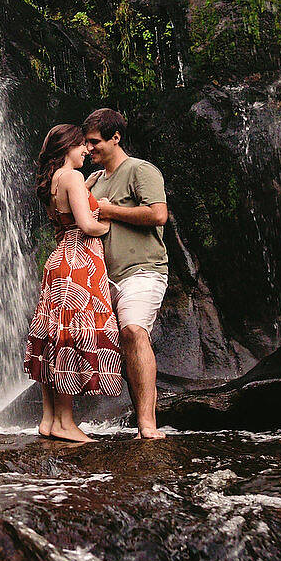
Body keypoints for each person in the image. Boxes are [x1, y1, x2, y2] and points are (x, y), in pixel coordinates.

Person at [23, 124, 126, 443]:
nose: (86, 150)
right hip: (78, 263)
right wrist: (107, 220)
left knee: (54, 336)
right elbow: (86, 225)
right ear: (67, 147)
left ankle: (49, 419)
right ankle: (66, 423)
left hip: (58, 262)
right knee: (70, 338)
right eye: (81, 145)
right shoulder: (72, 177)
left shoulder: (54, 181)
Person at [83, 108, 169, 440]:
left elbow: (158, 214)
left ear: (115, 137)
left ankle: (147, 425)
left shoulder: (139, 170)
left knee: (133, 331)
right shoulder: (94, 180)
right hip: (105, 277)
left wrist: (107, 209)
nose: (89, 149)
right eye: (87, 144)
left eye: (94, 142)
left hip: (143, 270)